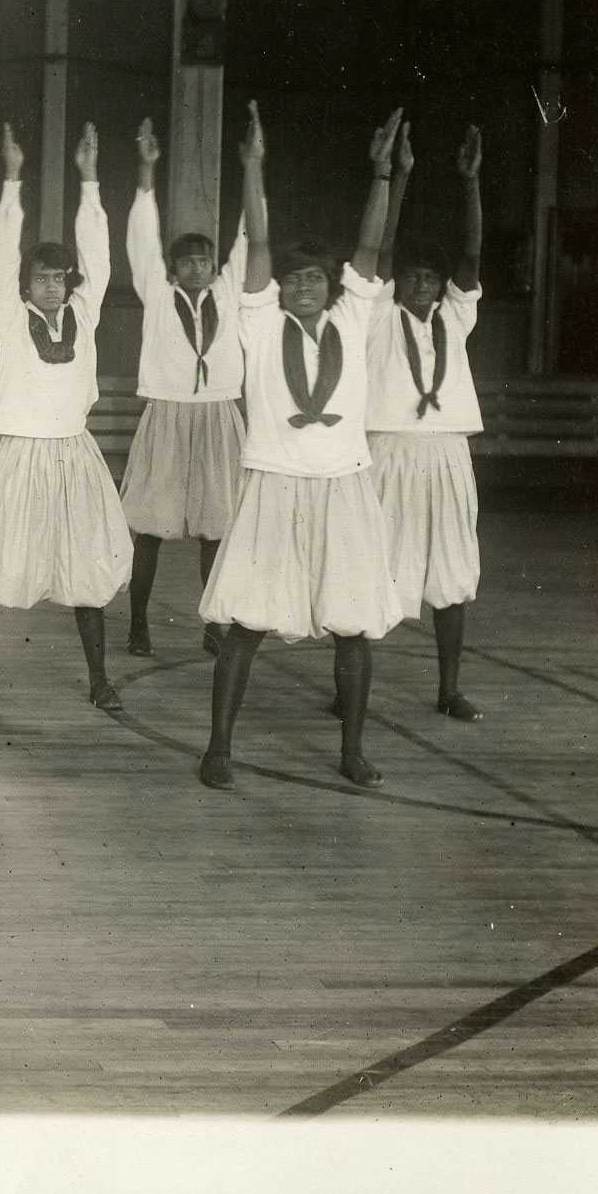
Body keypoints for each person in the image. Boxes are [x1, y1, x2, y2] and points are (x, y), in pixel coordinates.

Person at [196, 104, 409, 790]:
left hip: (344, 484)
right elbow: (257, 247)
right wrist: (253, 166)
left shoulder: (354, 314)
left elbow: (371, 248)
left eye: (314, 277)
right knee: (247, 625)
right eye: (293, 280)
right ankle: (218, 748)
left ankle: (351, 749)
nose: (303, 286)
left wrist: (381, 175)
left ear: (333, 285)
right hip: (276, 484)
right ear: (278, 290)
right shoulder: (258, 325)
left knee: (354, 629)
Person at [0, 122, 132, 713]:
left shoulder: (85, 316)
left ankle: (99, 679)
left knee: (86, 570)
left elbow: (101, 259)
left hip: (75, 454)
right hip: (22, 455)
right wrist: (11, 180)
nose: (53, 286)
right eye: (42, 278)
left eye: (60, 277)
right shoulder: (11, 319)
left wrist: (90, 182)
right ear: (27, 285)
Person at [366, 122, 488, 720]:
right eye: (413, 276)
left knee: (452, 570)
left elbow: (471, 256)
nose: (422, 283)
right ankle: (350, 689)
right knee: (371, 569)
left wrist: (470, 183)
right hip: (388, 450)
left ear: (441, 288)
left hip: (446, 454)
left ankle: (448, 689)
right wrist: (401, 175)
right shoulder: (379, 319)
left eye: (430, 278)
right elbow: (382, 249)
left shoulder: (455, 319)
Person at [118, 115, 249, 658]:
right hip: (168, 414)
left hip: (219, 415)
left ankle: (214, 623)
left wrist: (252, 173)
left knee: (217, 531)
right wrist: (146, 173)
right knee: (148, 530)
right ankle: (138, 623)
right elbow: (141, 241)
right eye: (188, 262)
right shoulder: (157, 292)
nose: (198, 269)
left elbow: (250, 240)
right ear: (171, 269)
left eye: (206, 261)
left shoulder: (231, 292)